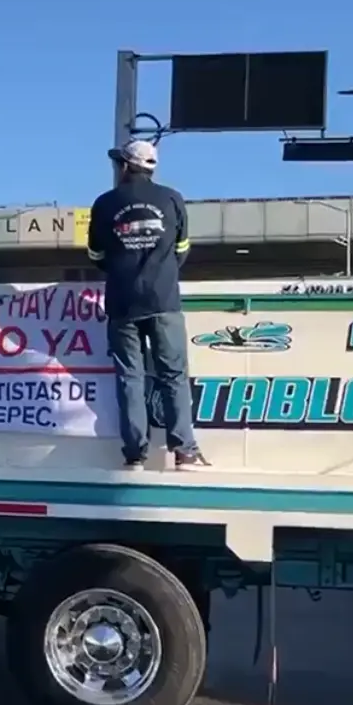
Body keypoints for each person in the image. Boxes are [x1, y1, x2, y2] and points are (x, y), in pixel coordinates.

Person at [86, 140, 208, 472]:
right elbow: (182, 249)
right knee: (173, 376)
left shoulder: (105, 203)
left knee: (130, 378)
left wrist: (123, 268)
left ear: (125, 166)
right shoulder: (172, 198)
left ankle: (134, 455)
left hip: (122, 301)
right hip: (165, 299)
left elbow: (97, 256)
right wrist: (162, 272)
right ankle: (184, 452)